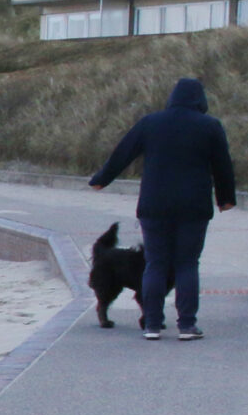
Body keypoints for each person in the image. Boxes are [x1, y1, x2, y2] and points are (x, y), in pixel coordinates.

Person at [88, 76, 238, 339]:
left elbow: (123, 152)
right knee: (188, 264)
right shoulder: (210, 126)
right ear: (200, 100)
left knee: (155, 264)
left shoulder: (151, 123)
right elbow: (222, 165)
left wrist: (101, 179)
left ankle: (153, 325)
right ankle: (187, 325)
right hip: (194, 208)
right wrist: (226, 198)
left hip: (155, 206)